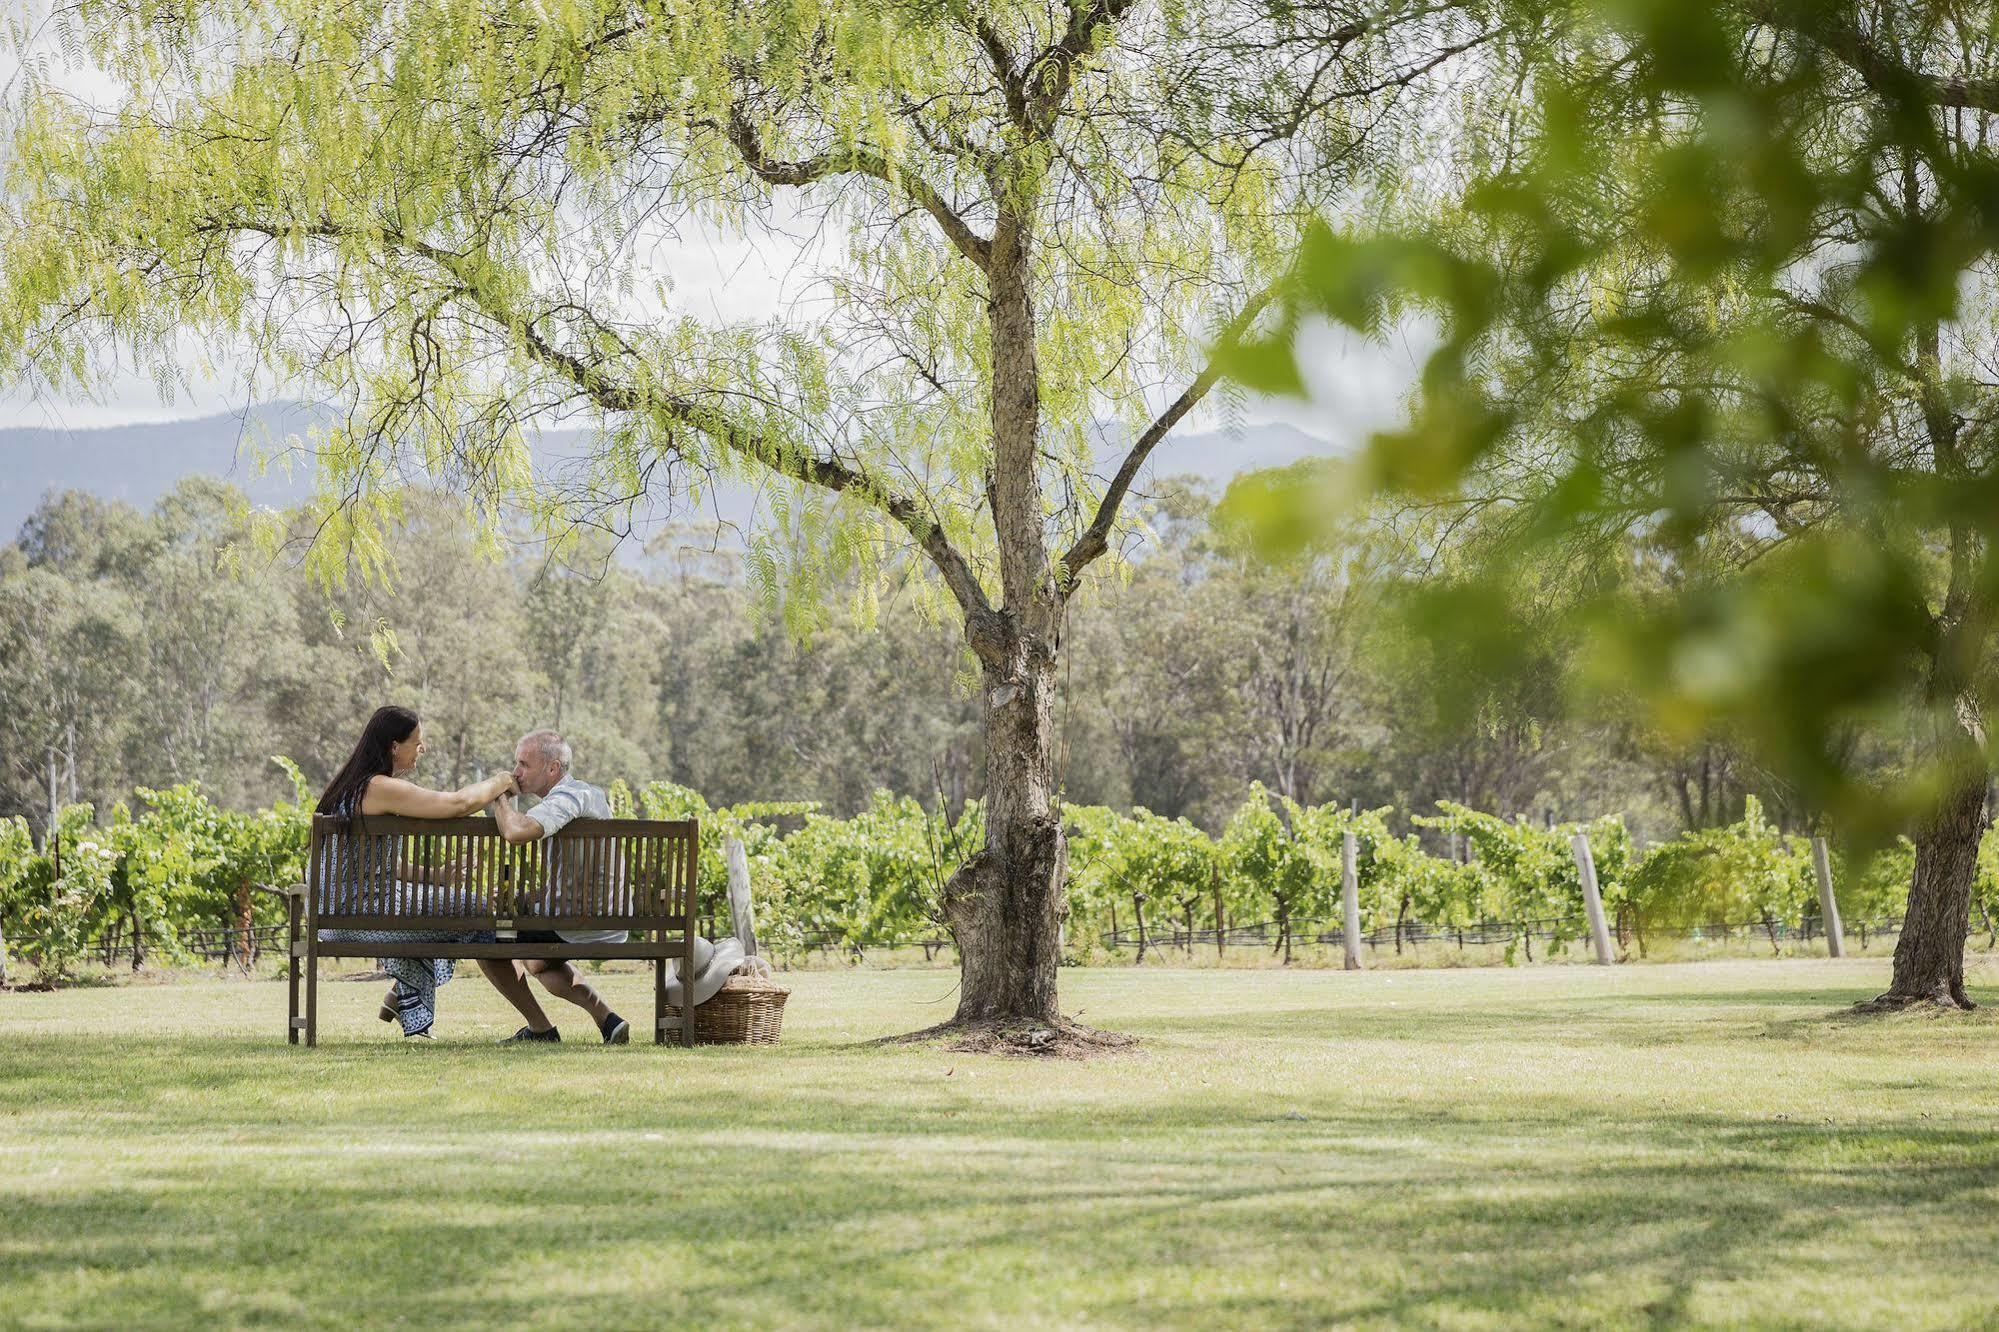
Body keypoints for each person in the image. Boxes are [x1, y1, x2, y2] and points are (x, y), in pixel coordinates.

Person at [315, 705, 517, 1039]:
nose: (422, 749)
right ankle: (407, 996)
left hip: (340, 913)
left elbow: (373, 867)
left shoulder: (353, 786)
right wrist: (499, 782)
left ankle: (402, 996)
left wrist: (437, 877)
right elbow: (455, 805)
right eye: (417, 742)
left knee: (448, 909)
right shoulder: (378, 787)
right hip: (363, 914)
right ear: (394, 746)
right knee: (476, 909)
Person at [479, 729, 632, 1044]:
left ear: (552, 769)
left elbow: (515, 832)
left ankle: (541, 1029)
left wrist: (499, 793)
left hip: (583, 918)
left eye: (524, 764)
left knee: (483, 940)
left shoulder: (570, 797)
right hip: (606, 916)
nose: (516, 772)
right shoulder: (585, 797)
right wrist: (528, 896)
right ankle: (609, 1021)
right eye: (515, 764)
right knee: (538, 963)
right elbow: (583, 877)